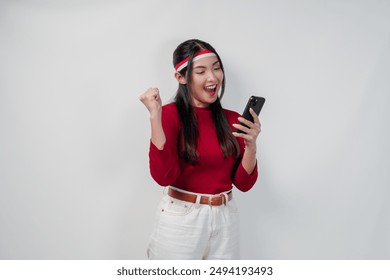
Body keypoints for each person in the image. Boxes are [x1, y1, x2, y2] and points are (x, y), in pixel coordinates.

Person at [139, 39, 261, 260]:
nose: (213, 77)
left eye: (216, 68)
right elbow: (163, 176)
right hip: (182, 220)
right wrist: (155, 117)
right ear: (181, 77)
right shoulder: (169, 115)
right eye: (201, 71)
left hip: (226, 217)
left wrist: (251, 146)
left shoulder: (233, 119)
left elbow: (243, 184)